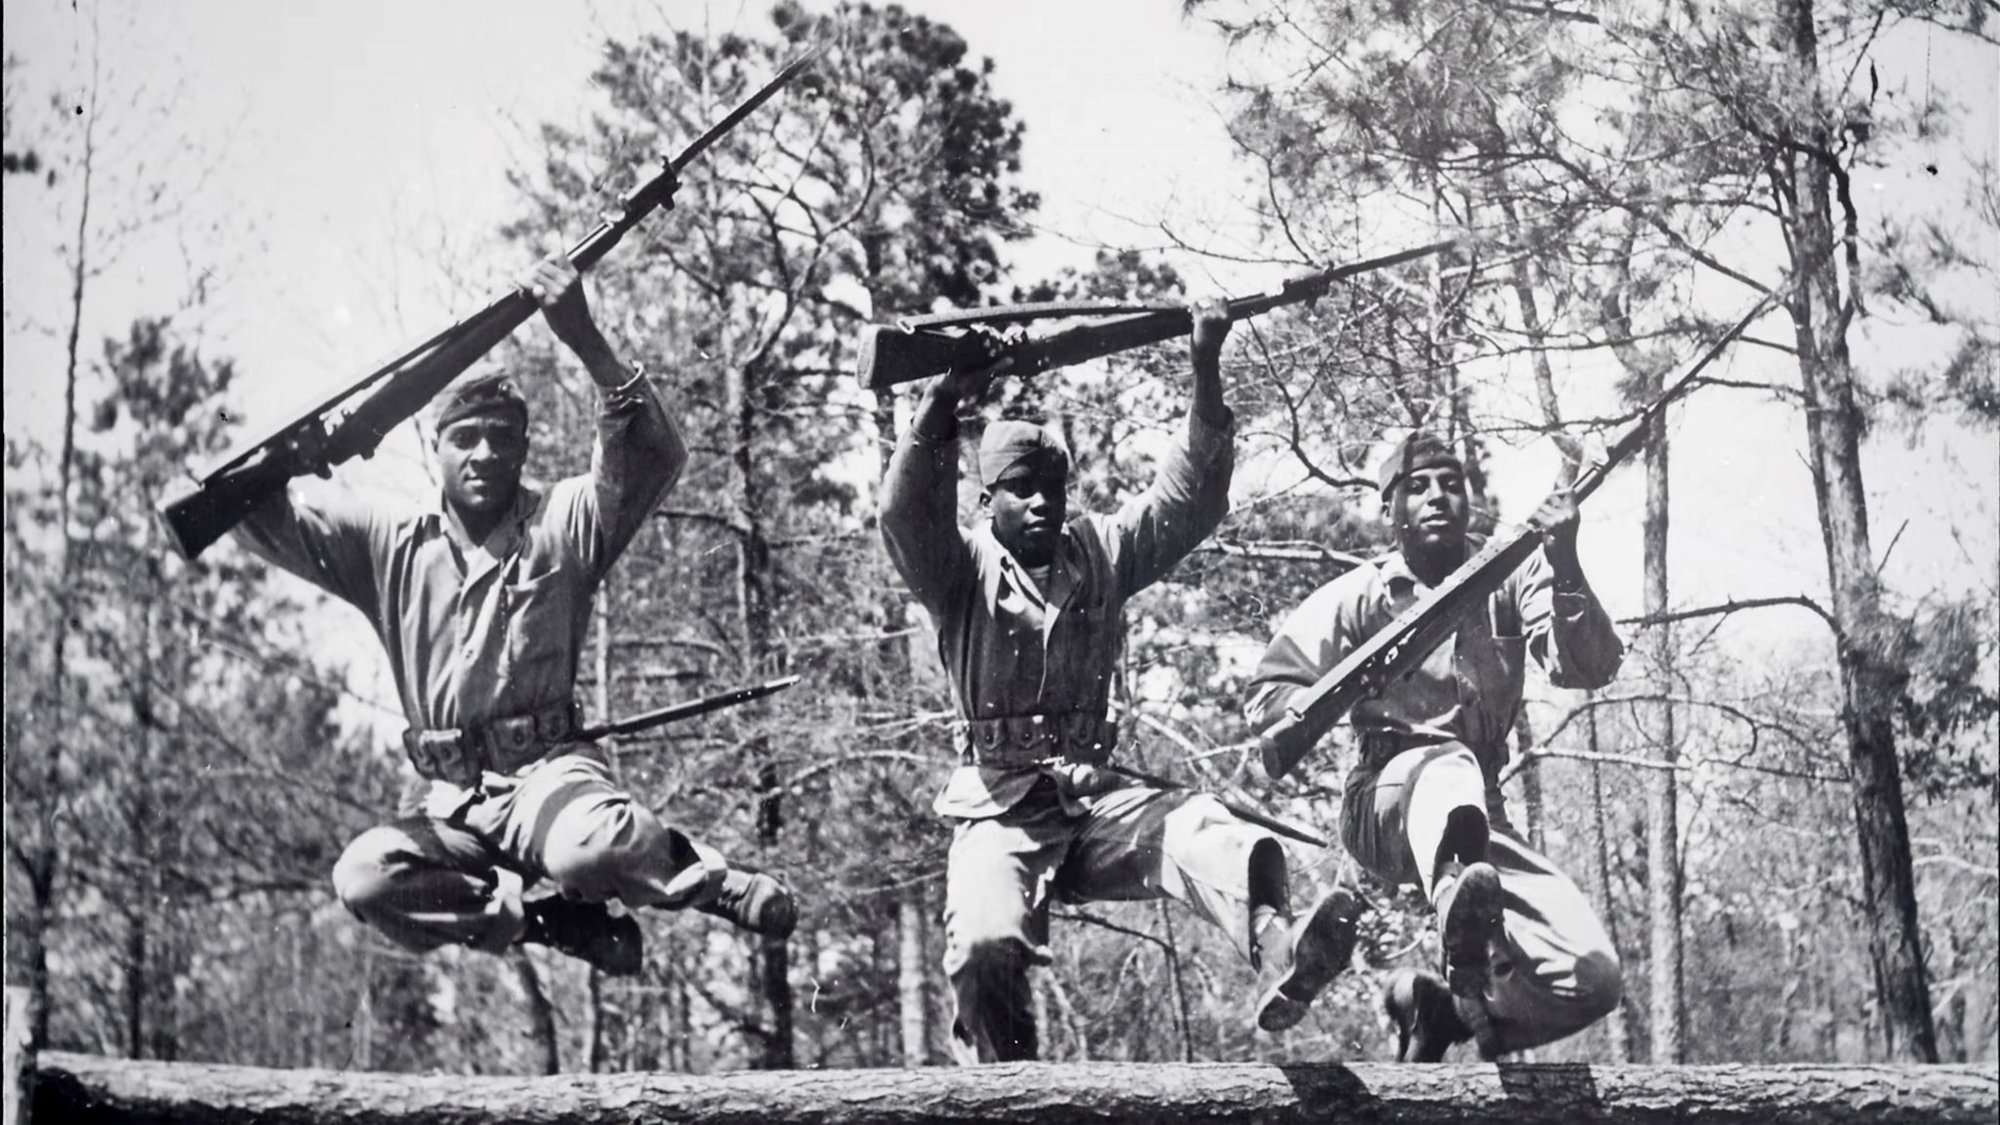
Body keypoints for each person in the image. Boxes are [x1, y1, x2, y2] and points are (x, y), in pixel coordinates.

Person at [234, 253, 796, 976]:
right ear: (434, 449)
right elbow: (265, 521)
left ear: (525, 447)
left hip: (549, 780)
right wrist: (288, 460)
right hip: (450, 805)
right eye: (465, 436)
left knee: (588, 847)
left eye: (503, 435)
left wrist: (585, 338)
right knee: (366, 876)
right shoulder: (389, 545)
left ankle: (705, 879)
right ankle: (546, 922)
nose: (484, 452)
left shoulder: (564, 521)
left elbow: (652, 457)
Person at [878, 305, 1360, 1064]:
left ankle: (1281, 947)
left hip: (1095, 804)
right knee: (983, 943)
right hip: (1000, 808)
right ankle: (1011, 1090)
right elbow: (904, 514)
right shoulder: (957, 569)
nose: (1042, 502)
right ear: (987, 500)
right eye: (1021, 488)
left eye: (1054, 489)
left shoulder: (1097, 550)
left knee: (1202, 829)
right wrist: (942, 403)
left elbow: (1186, 502)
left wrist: (1205, 366)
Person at [1244, 431, 1626, 1061]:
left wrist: (1566, 560)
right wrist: (1338, 696)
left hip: (1479, 813)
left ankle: (1447, 1013)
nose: (1437, 497)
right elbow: (1269, 696)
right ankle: (1460, 921)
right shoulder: (1358, 596)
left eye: (1452, 483)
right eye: (1416, 488)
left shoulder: (1510, 572)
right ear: (1390, 509)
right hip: (1382, 805)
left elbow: (1587, 667)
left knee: (1595, 979)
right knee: (1445, 764)